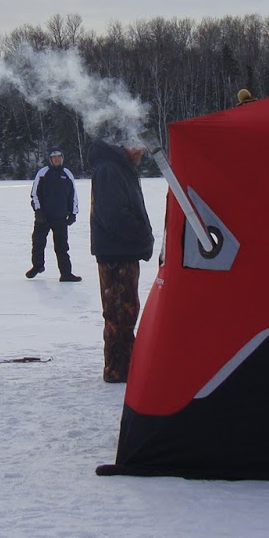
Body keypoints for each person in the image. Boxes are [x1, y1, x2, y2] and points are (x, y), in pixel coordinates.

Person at [88, 138, 154, 382]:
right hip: (116, 254)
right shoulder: (109, 169)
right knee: (118, 312)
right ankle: (117, 370)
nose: (141, 152)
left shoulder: (120, 168)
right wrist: (142, 236)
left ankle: (126, 365)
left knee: (126, 311)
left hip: (123, 251)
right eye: (139, 146)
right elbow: (114, 216)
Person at [27, 149, 81, 281]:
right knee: (38, 243)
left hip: (60, 218)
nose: (57, 159)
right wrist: (38, 211)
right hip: (43, 217)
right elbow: (34, 194)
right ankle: (37, 266)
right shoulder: (43, 173)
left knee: (62, 247)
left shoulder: (67, 174)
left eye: (59, 157)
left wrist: (73, 213)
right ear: (50, 160)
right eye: (54, 157)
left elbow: (73, 195)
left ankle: (66, 274)